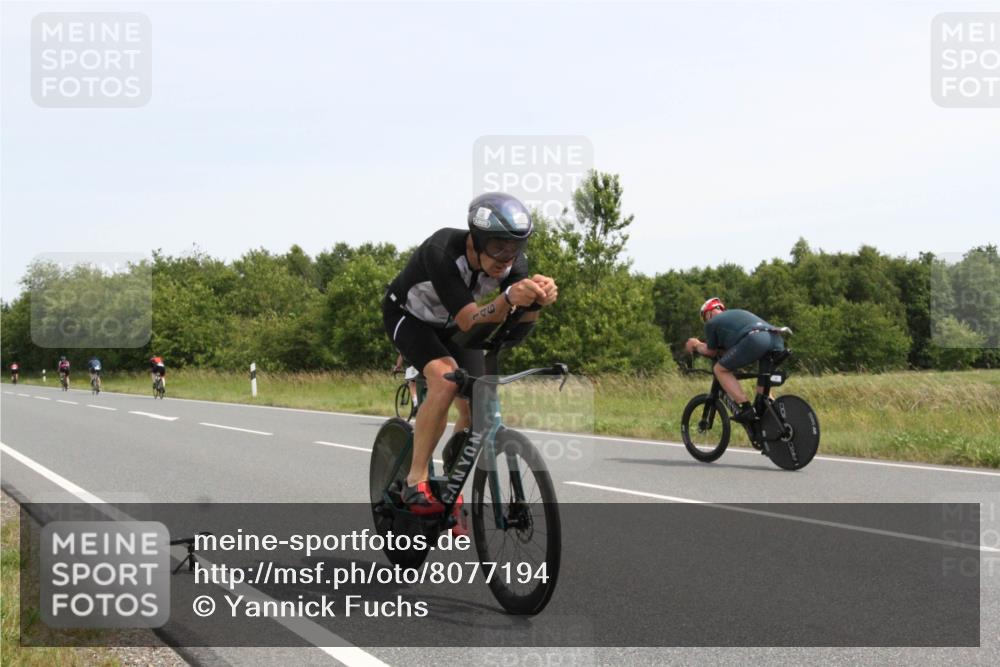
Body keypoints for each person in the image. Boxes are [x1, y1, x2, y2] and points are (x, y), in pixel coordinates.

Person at [382, 192, 558, 518]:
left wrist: (537, 302)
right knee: (446, 381)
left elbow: (513, 331)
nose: (505, 257)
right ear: (475, 240)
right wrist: (507, 297)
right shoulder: (442, 251)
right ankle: (415, 478)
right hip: (410, 318)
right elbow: (469, 320)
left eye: (514, 247)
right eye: (496, 246)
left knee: (479, 399)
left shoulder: (514, 264)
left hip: (452, 326)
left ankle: (450, 480)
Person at [685, 298, 786, 424]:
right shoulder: (736, 316)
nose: (706, 321)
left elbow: (710, 351)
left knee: (719, 369)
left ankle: (746, 408)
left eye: (705, 318)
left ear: (708, 313)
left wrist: (696, 344)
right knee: (763, 398)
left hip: (756, 339)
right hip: (776, 340)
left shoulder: (712, 323)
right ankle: (775, 425)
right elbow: (731, 350)